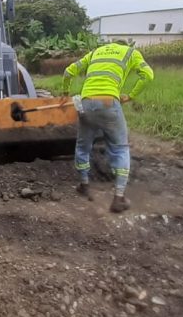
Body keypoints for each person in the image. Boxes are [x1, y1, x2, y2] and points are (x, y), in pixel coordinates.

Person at [62, 41, 154, 213]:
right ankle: (118, 198)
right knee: (120, 148)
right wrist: (131, 96)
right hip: (108, 103)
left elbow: (68, 71)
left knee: (83, 147)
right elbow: (148, 75)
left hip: (86, 103)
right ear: (124, 45)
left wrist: (65, 93)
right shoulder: (130, 52)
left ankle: (84, 185)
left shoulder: (95, 52)